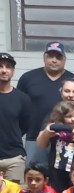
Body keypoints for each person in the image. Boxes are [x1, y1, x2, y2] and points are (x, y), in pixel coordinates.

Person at [17, 42, 74, 167]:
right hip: (35, 137)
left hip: (67, 141)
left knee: (61, 177)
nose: (54, 60)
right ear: (44, 57)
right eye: (50, 56)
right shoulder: (28, 78)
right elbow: (19, 108)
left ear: (65, 59)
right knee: (35, 176)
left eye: (58, 57)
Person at [36, 100, 74, 193]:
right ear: (60, 117)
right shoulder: (55, 133)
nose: (73, 119)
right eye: (69, 116)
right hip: (57, 171)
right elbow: (52, 127)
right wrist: (68, 129)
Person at [0, 53, 32, 183]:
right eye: (0, 66)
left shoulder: (23, 99)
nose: (3, 70)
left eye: (8, 67)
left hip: (14, 158)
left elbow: (25, 126)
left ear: (13, 71)